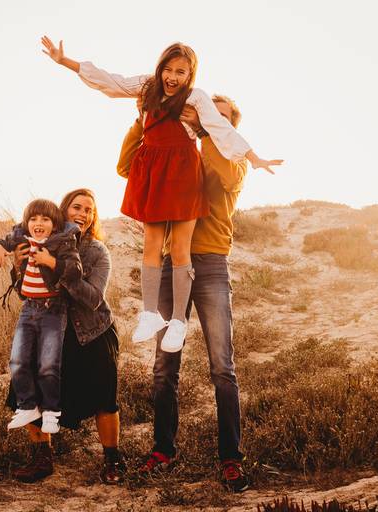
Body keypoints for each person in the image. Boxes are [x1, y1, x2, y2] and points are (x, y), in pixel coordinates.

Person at [41, 35, 282, 354]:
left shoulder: (196, 98)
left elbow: (222, 130)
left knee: (180, 249)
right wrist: (65, 62)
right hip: (153, 173)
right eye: (168, 69)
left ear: (190, 75)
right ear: (160, 68)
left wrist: (253, 157)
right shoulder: (146, 87)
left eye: (180, 72)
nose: (172, 77)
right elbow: (110, 82)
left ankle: (179, 323)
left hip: (182, 173)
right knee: (152, 247)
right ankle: (150, 314)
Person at [118, 95, 254, 492]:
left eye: (221, 116)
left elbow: (223, 178)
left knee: (222, 368)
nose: (207, 116)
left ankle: (231, 458)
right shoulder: (175, 152)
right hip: (168, 268)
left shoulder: (233, 161)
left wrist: (209, 131)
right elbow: (127, 166)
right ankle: (164, 449)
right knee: (164, 367)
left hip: (210, 265)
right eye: (206, 110)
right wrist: (142, 123)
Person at [0, 189, 124, 484]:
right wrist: (19, 266)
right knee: (29, 385)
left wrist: (57, 268)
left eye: (89, 210)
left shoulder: (97, 252)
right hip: (48, 327)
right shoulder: (39, 240)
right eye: (77, 207)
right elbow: (26, 293)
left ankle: (113, 460)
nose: (83, 214)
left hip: (91, 331)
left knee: (104, 398)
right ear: (64, 211)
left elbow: (94, 299)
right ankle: (42, 457)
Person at [0, 198, 82, 435]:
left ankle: (51, 411)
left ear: (55, 224)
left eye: (45, 219)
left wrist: (50, 260)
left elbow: (75, 270)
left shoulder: (61, 242)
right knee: (17, 361)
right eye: (33, 219)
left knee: (48, 364)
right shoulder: (20, 238)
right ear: (26, 222)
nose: (39, 223)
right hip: (28, 309)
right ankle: (27, 406)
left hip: (53, 308)